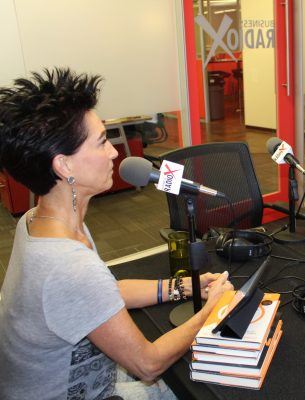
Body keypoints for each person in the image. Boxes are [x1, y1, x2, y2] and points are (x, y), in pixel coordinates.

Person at [0, 68, 234, 399]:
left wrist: (183, 286)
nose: (114, 152)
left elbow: (104, 293)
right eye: (101, 142)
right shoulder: (69, 266)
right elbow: (148, 364)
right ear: (64, 166)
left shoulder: (38, 221)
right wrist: (212, 311)